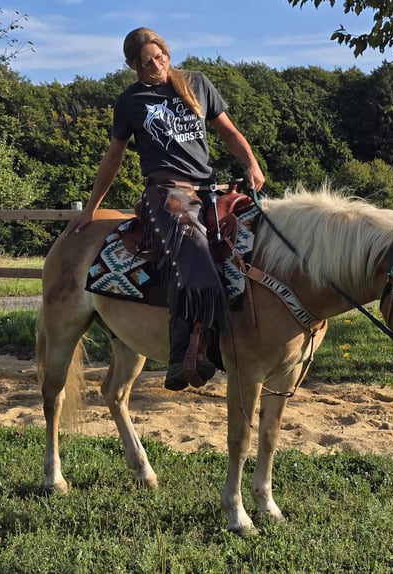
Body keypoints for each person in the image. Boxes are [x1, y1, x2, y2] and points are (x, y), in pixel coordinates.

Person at [65, 27, 265, 391]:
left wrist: (251, 163)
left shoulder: (197, 83)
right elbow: (113, 159)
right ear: (132, 66)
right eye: (147, 62)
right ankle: (185, 352)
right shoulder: (130, 101)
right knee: (195, 250)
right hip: (165, 191)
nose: (157, 66)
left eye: (161, 57)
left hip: (208, 187)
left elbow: (229, 132)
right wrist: (91, 208)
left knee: (256, 231)